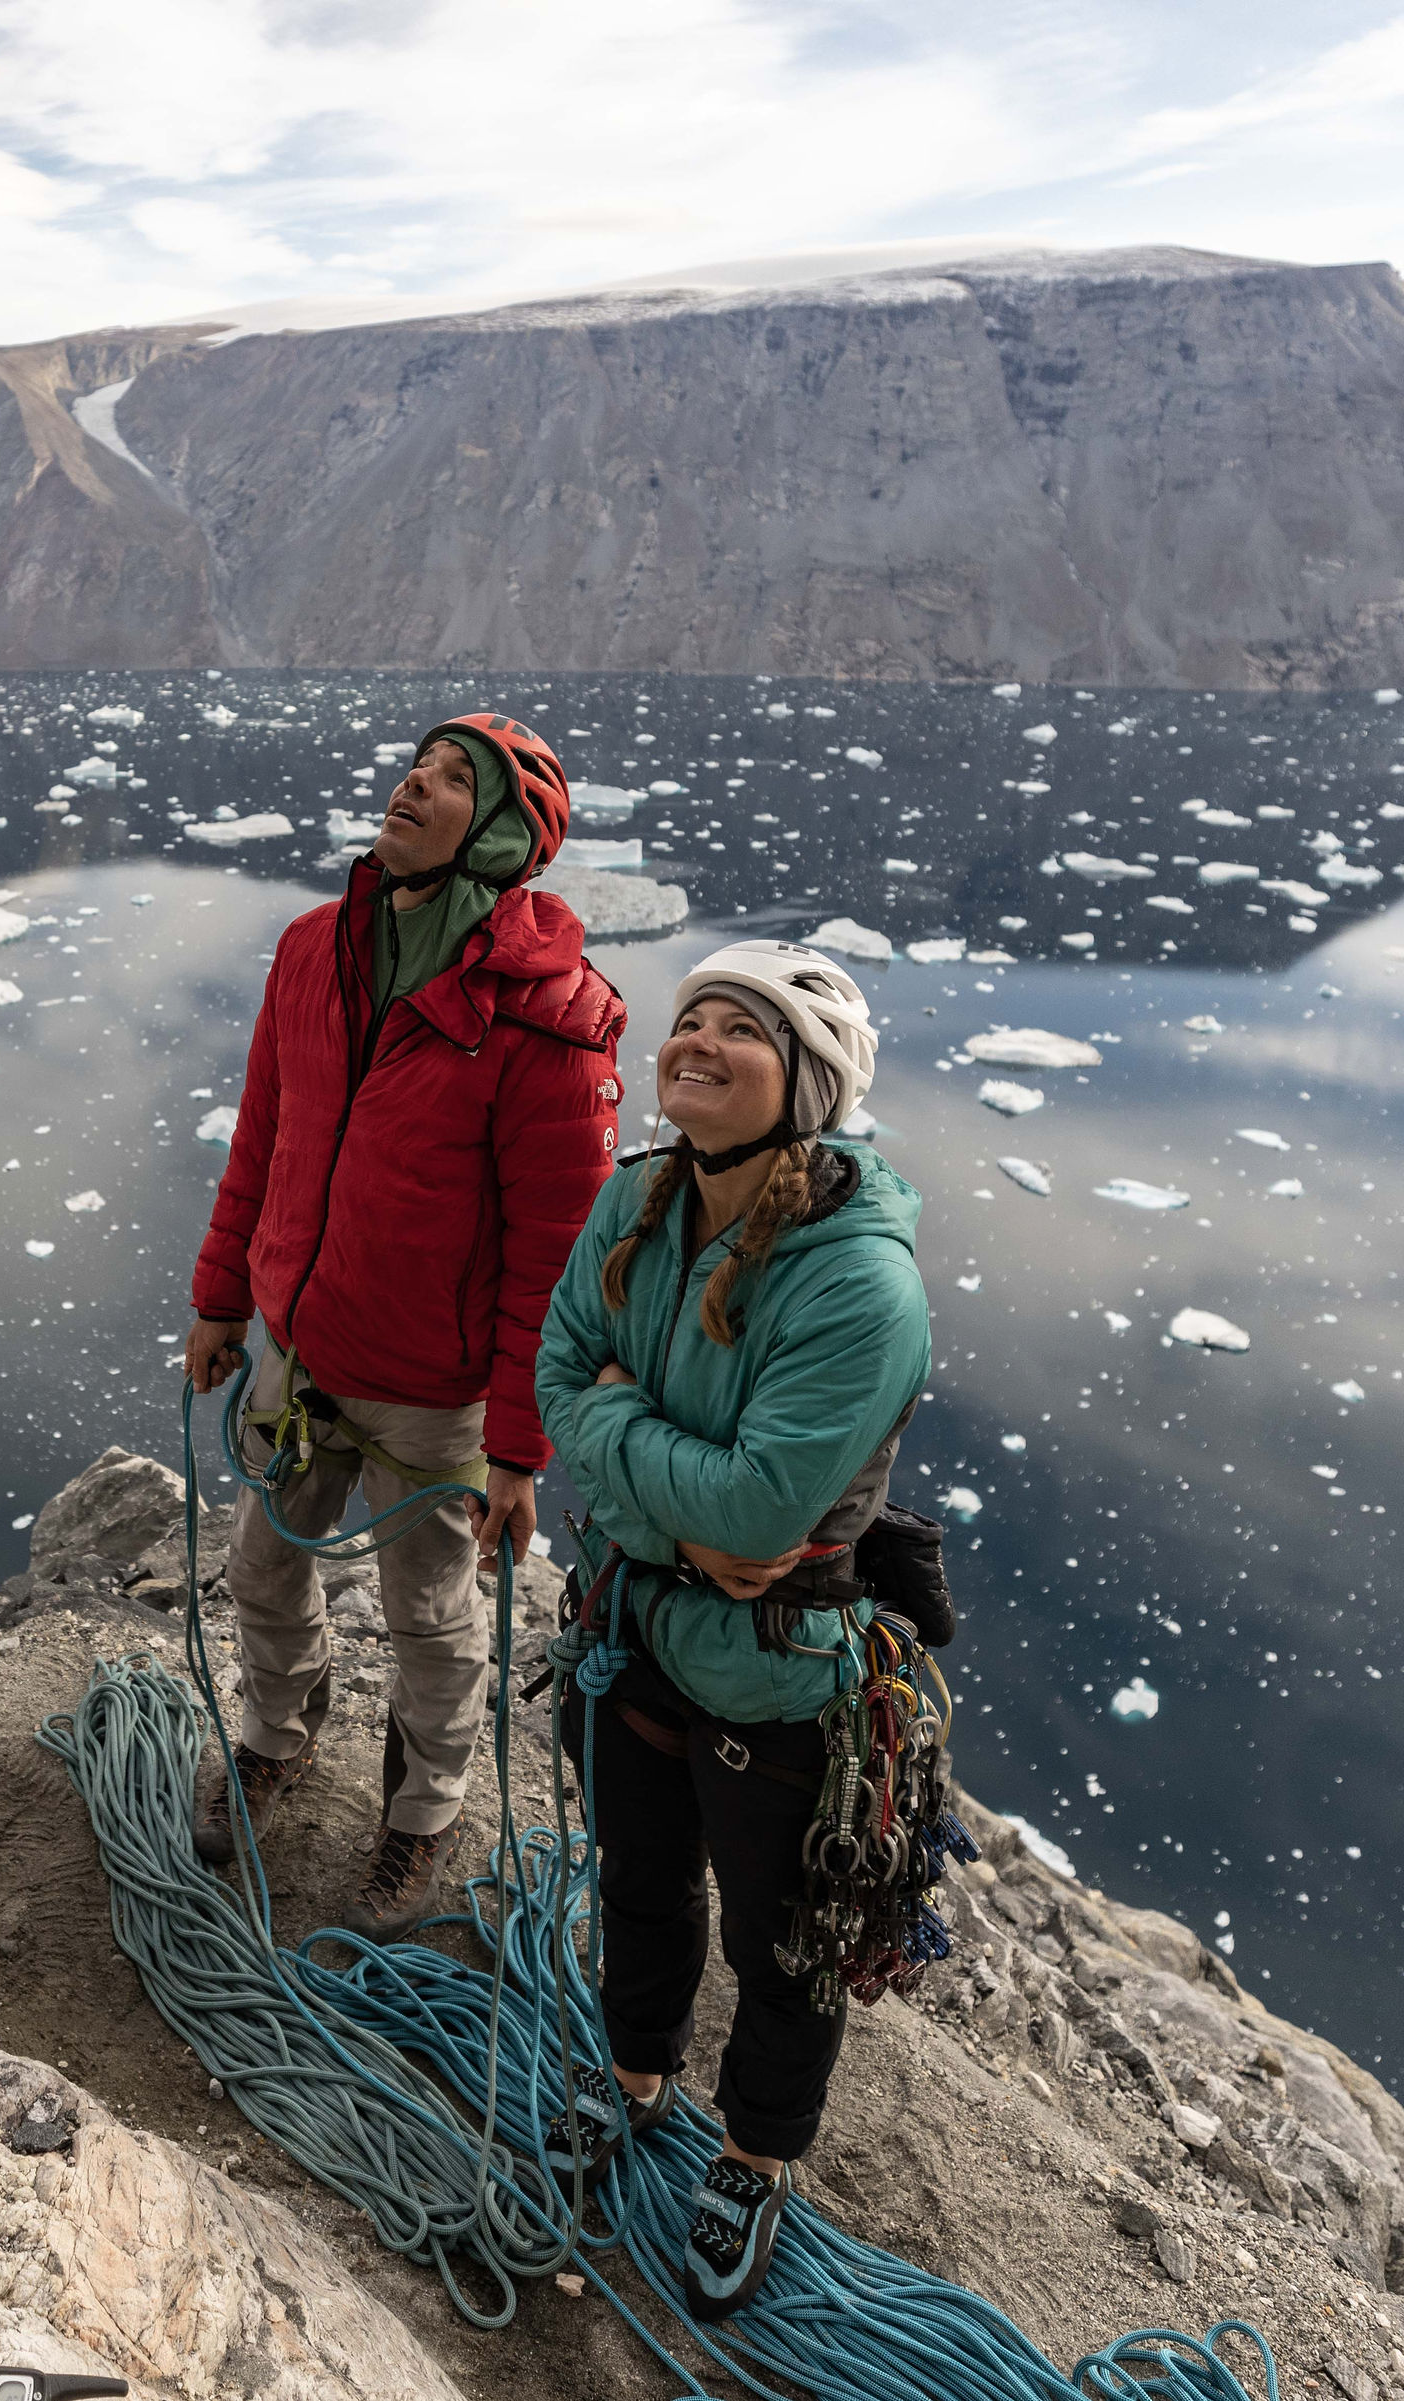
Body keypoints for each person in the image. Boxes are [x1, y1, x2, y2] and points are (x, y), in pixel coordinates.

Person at [527, 939, 929, 2317]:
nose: (693, 1041)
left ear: (807, 1085)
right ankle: (637, 2073)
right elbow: (559, 1363)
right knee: (640, 1881)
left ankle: (754, 2152)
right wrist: (676, 1509)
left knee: (783, 1943)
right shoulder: (637, 1203)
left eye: (737, 1030)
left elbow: (762, 1510)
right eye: (687, 1019)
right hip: (645, 1619)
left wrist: (633, 1448)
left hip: (776, 1673)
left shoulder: (857, 1282)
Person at [182, 710, 623, 1935]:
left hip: (435, 1396)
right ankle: (279, 1730)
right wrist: (224, 1295)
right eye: (415, 768)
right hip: (294, 1350)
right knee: (263, 1562)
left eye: (449, 782)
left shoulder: (551, 1023)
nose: (410, 787)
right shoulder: (313, 948)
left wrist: (523, 1451)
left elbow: (557, 1266)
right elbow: (265, 1134)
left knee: (432, 1618)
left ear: (500, 836)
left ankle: (422, 1813)